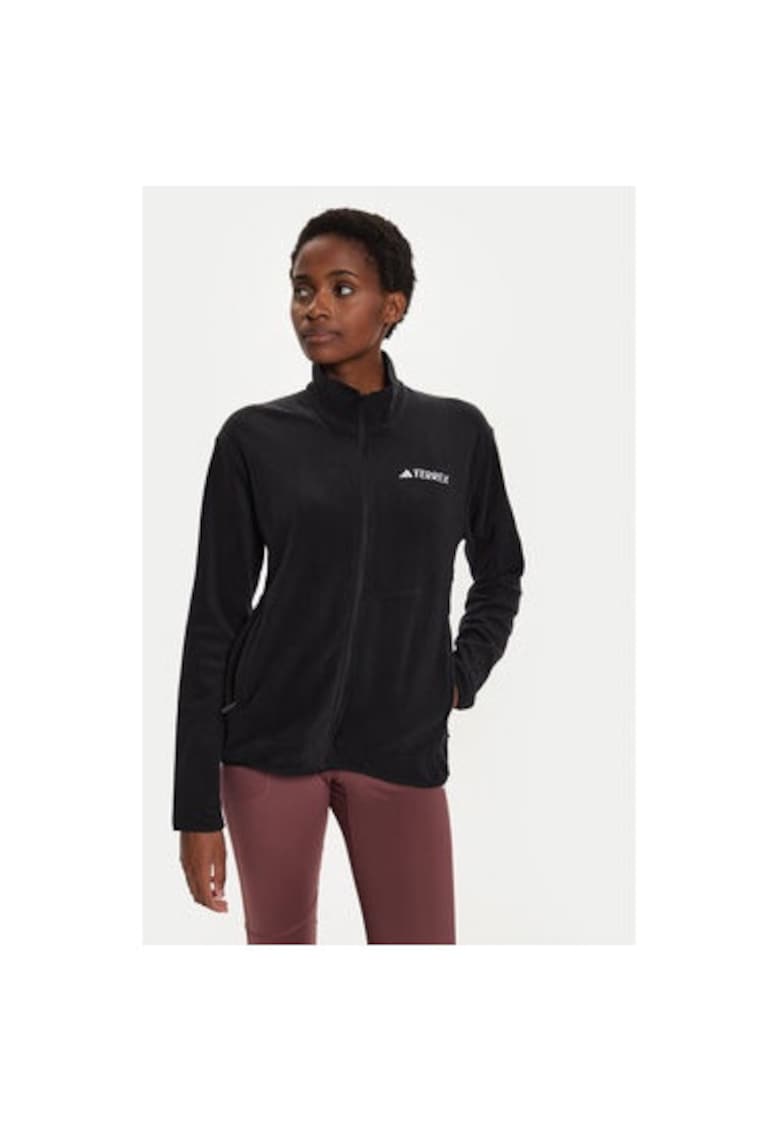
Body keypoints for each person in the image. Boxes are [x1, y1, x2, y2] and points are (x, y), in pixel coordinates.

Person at [173, 206, 526, 944]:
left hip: (402, 749)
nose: (314, 308)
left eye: (341, 289)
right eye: (302, 289)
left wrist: (458, 675)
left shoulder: (456, 433)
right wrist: (195, 811)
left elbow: (500, 572)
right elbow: (213, 621)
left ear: (392, 305)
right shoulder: (254, 438)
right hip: (267, 750)